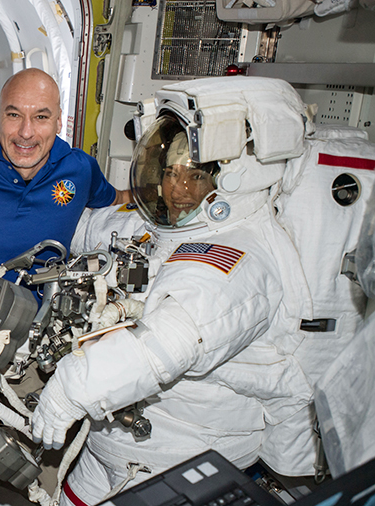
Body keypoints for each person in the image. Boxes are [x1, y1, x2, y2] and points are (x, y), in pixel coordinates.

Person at [30, 77, 322, 506]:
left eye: (196, 176)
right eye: (170, 173)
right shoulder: (158, 226)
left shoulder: (236, 256)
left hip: (179, 456)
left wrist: (69, 392)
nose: (177, 189)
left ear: (233, 181)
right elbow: (85, 228)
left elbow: (164, 344)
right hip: (113, 441)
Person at [0, 67, 130, 506]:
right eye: (14, 115)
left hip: (43, 352)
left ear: (59, 122)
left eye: (41, 117)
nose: (26, 132)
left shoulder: (79, 170)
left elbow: (118, 207)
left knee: (41, 466)